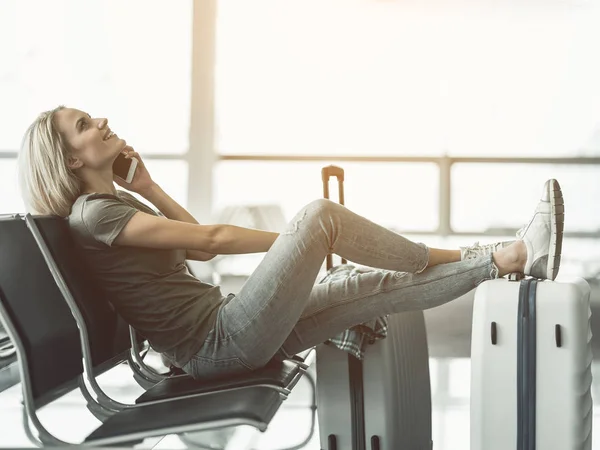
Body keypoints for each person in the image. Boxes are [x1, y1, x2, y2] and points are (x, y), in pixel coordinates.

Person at [18, 106, 564, 379]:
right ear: (69, 158)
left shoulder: (115, 206)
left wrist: (149, 186)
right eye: (86, 124)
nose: (103, 121)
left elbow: (200, 249)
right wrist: (301, 243)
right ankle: (480, 253)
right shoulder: (93, 215)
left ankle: (507, 258)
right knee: (319, 215)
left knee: (370, 284)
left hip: (231, 330)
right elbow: (213, 236)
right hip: (220, 343)